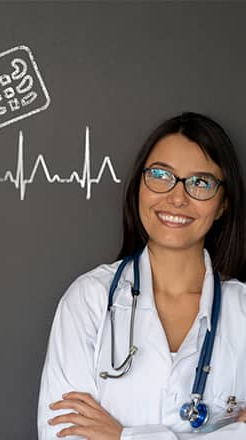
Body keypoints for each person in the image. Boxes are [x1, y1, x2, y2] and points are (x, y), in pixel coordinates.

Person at [37, 112, 246, 440]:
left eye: (200, 182)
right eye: (161, 175)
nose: (177, 197)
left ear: (223, 204)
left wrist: (123, 436)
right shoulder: (90, 299)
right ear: (139, 187)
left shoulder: (242, 311)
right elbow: (62, 433)